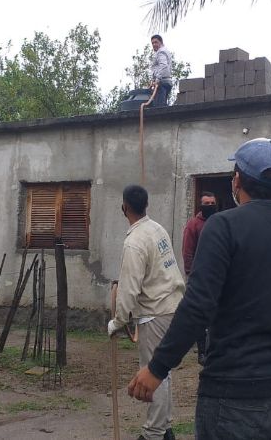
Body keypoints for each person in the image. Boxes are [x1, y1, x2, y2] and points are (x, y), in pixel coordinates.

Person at [127, 138, 271, 440]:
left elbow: (198, 306)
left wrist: (157, 368)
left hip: (233, 394)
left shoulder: (223, 227)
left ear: (237, 181)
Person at [107, 185, 185, 440]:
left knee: (153, 371)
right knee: (163, 370)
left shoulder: (134, 242)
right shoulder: (157, 229)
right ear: (146, 204)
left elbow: (129, 288)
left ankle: (154, 433)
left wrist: (118, 321)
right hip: (172, 307)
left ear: (124, 207)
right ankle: (164, 428)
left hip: (155, 313)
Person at [182, 192, 217, 365]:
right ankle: (202, 351)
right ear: (200, 205)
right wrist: (191, 273)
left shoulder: (219, 222)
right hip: (199, 277)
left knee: (215, 315)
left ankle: (214, 349)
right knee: (200, 315)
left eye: (212, 203)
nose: (210, 206)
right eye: (206, 203)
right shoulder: (193, 225)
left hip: (217, 277)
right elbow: (187, 251)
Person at [150, 34, 173, 107]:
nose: (154, 44)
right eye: (152, 43)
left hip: (162, 83)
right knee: (162, 106)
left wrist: (157, 79)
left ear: (161, 42)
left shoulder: (161, 52)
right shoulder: (165, 51)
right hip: (166, 82)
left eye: (156, 42)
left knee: (158, 108)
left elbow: (163, 66)